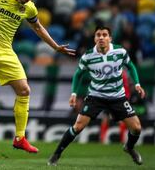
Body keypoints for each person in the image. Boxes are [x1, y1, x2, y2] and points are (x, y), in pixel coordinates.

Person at [0, 0, 76, 157]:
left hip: (6, 50)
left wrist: (55, 46)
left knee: (24, 90)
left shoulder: (29, 8)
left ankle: (19, 138)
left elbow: (39, 28)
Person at [48, 26, 146, 166]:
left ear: (110, 38)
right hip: (96, 97)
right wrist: (74, 93)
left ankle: (129, 148)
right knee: (78, 127)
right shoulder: (88, 56)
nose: (101, 37)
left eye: (105, 35)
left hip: (117, 97)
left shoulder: (120, 51)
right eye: (98, 35)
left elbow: (130, 66)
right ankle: (56, 155)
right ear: (94, 39)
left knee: (136, 128)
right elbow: (78, 74)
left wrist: (136, 84)